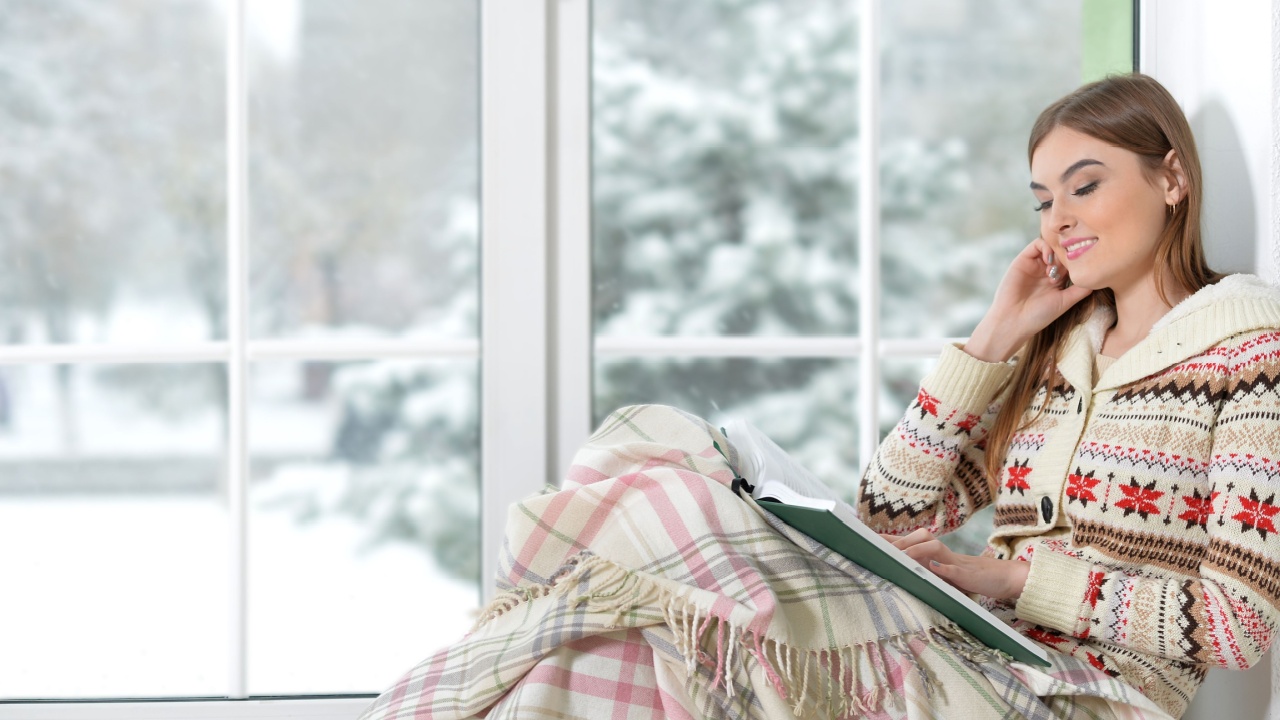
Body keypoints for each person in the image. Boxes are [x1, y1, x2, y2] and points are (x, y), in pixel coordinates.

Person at [358, 74, 1280, 720]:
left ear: (1172, 177)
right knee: (627, 617)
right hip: (976, 651)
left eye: (1086, 185)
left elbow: (1239, 623)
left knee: (669, 523)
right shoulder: (1054, 350)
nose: (1059, 219)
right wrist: (995, 338)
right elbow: (888, 510)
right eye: (1042, 199)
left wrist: (1014, 578)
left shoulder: (1244, 346)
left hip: (1080, 696)